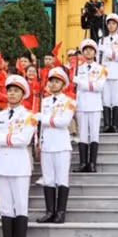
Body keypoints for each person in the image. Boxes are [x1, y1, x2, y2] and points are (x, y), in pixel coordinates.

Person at [0, 75, 35, 237]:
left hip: (19, 164)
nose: (12, 94)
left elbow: (23, 140)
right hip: (2, 164)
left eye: (16, 91)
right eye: (9, 91)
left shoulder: (28, 116)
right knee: (6, 206)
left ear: (23, 94)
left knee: (20, 205)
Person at [35, 67, 76, 224]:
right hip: (47, 145)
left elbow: (63, 122)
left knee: (62, 179)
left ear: (63, 84)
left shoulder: (69, 102)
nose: (53, 84)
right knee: (49, 179)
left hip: (61, 144)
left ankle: (60, 212)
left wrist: (43, 119)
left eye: (56, 81)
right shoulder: (43, 102)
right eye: (51, 81)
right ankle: (50, 212)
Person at [73, 39, 106, 173]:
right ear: (82, 52)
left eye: (91, 50)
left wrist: (81, 83)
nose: (88, 51)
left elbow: (98, 87)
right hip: (81, 104)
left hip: (94, 105)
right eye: (85, 49)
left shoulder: (100, 69)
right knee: (82, 135)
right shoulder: (77, 69)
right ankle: (83, 163)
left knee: (93, 135)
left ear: (95, 52)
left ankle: (92, 163)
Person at [98, 13, 118, 134]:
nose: (110, 26)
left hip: (116, 72)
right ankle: (107, 124)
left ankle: (115, 125)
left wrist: (107, 51)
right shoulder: (101, 40)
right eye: (109, 23)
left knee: (115, 99)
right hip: (104, 72)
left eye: (113, 24)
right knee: (105, 99)